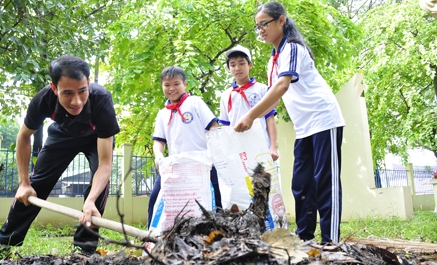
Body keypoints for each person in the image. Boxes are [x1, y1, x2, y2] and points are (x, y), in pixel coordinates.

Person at [0, 55, 120, 261]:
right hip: (62, 135)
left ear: (88, 83)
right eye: (67, 93)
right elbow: (23, 137)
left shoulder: (101, 100)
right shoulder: (43, 99)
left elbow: (104, 164)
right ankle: (4, 245)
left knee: (99, 189)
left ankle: (83, 249)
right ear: (54, 88)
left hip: (95, 139)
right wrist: (23, 183)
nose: (76, 101)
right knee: (33, 186)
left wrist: (91, 200)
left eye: (82, 91)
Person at [234, 2, 345, 244]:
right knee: (301, 182)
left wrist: (251, 115)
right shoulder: (273, 60)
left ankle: (330, 241)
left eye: (265, 24)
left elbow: (282, 86)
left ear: (281, 21)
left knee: (324, 180)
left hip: (325, 120)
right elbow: (274, 97)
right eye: (257, 27)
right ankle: (305, 236)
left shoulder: (293, 49)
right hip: (305, 127)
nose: (261, 30)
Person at [147, 66, 221, 228]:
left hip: (203, 164)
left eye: (176, 84)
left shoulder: (195, 103)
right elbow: (159, 141)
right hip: (175, 166)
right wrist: (159, 156)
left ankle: (220, 236)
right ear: (162, 86)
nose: (171, 88)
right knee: (155, 198)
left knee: (216, 197)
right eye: (167, 85)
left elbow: (213, 126)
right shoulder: (162, 113)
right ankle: (150, 237)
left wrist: (214, 153)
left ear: (185, 84)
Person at [219, 45, 279, 161]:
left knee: (262, 179)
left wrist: (273, 147)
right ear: (228, 68)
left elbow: (269, 118)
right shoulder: (226, 95)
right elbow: (225, 126)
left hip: (261, 150)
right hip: (237, 153)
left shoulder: (262, 89)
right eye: (232, 65)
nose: (237, 68)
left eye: (241, 63)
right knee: (241, 180)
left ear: (250, 65)